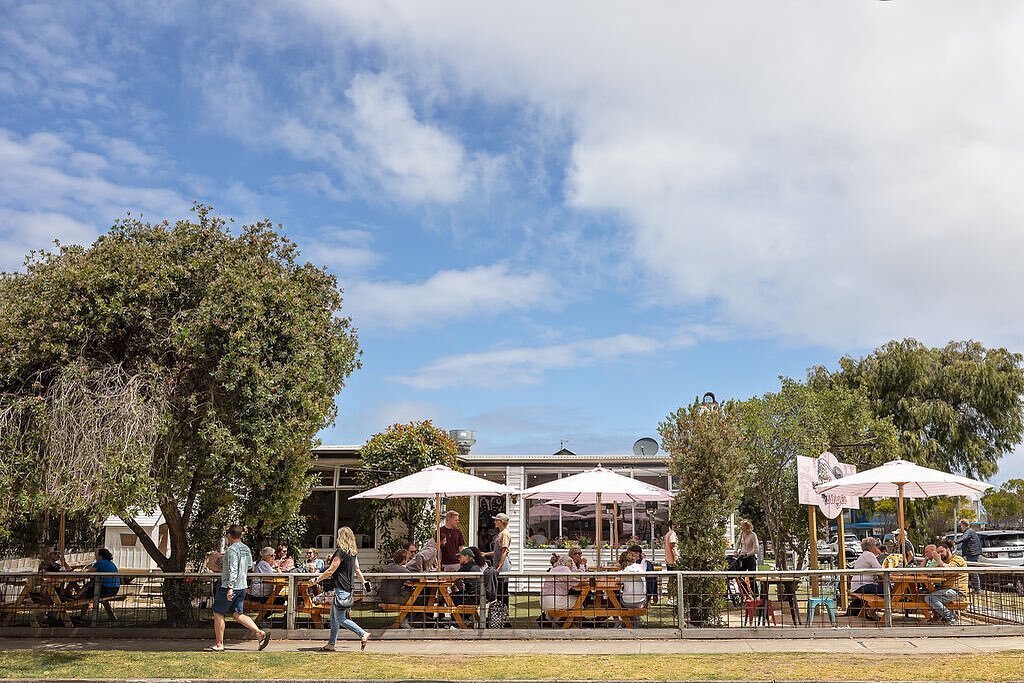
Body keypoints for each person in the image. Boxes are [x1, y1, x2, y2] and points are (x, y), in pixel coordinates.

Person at [208, 524, 270, 652]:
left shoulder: (231, 550)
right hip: (242, 585)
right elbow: (248, 566)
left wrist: (230, 587)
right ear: (241, 535)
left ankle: (219, 644)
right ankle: (259, 633)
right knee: (237, 614)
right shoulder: (246, 549)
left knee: (218, 613)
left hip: (229, 586)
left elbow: (233, 568)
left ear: (229, 535)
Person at [311, 526, 370, 651]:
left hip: (341, 590)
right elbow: (357, 570)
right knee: (334, 618)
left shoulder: (340, 553)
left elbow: (331, 570)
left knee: (341, 619)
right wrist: (364, 582)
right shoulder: (353, 553)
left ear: (340, 537)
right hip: (348, 589)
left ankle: (362, 633)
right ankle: (331, 644)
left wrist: (317, 579)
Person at [923, 540, 968, 625]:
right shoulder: (944, 562)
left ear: (948, 550)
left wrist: (939, 560)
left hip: (958, 592)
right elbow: (930, 572)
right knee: (924, 593)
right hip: (946, 590)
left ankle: (951, 618)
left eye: (941, 551)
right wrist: (930, 561)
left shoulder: (957, 559)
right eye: (938, 552)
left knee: (929, 598)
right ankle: (938, 618)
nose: (940, 554)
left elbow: (949, 570)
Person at [850, 537, 883, 620]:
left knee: (881, 589)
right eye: (876, 545)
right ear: (871, 547)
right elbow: (880, 570)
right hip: (862, 585)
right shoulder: (869, 555)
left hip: (857, 586)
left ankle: (871, 610)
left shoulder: (864, 555)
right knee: (887, 591)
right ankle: (872, 611)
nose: (877, 547)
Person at [483, 512, 512, 606]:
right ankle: (500, 612)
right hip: (499, 562)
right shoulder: (501, 533)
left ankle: (504, 613)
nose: (494, 522)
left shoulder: (504, 534)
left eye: (496, 520)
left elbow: (504, 551)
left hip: (502, 564)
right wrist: (486, 554)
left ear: (501, 522)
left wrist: (500, 564)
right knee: (499, 589)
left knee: (502, 589)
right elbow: (498, 551)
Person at [540, 553, 574, 622]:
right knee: (579, 600)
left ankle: (549, 618)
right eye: (572, 564)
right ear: (568, 563)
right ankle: (581, 621)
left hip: (543, 601)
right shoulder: (565, 569)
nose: (572, 567)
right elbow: (574, 582)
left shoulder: (553, 569)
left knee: (572, 599)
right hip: (554, 600)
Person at [618, 550, 646, 627]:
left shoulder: (623, 572)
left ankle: (626, 621)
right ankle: (634, 620)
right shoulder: (640, 567)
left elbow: (618, 580)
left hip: (627, 601)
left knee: (615, 598)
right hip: (641, 600)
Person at [957, 520, 983, 593]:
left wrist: (954, 542)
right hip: (971, 553)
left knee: (973, 571)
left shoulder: (969, 531)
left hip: (972, 553)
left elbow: (963, 538)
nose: (960, 527)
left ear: (963, 525)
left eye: (961, 526)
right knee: (972, 571)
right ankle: (976, 588)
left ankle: (977, 589)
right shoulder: (969, 531)